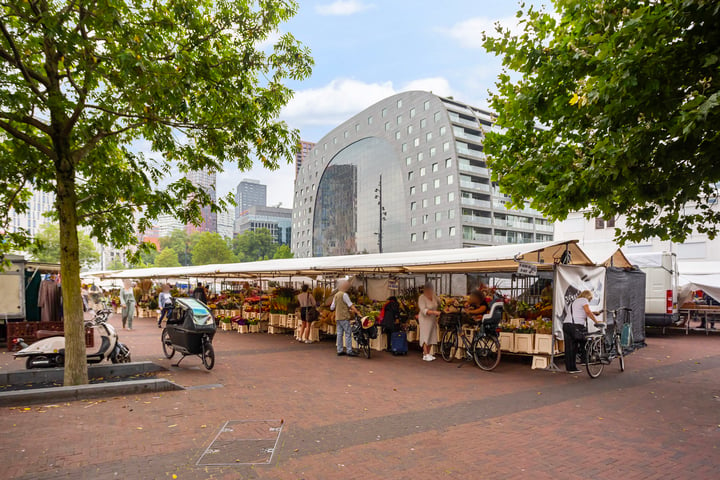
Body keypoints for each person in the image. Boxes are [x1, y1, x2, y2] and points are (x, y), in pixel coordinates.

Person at [563, 290, 602, 373]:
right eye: (590, 299)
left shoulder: (573, 302)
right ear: (587, 296)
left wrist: (594, 313)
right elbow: (587, 312)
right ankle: (585, 360)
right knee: (586, 340)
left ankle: (570, 368)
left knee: (569, 347)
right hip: (576, 326)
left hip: (566, 325)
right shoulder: (584, 300)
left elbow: (580, 312)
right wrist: (596, 321)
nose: (589, 300)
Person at [331, 280, 361, 357]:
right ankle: (349, 350)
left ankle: (339, 350)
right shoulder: (344, 295)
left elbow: (332, 307)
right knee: (348, 334)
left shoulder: (336, 295)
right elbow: (350, 305)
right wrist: (357, 312)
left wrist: (339, 308)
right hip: (344, 317)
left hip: (338, 317)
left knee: (339, 334)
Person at [418, 283, 442, 362]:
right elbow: (423, 309)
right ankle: (425, 353)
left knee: (432, 335)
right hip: (425, 319)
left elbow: (440, 302)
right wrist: (435, 312)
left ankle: (428, 353)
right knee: (425, 335)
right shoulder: (422, 298)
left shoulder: (434, 296)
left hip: (433, 319)